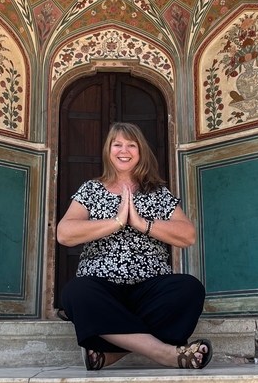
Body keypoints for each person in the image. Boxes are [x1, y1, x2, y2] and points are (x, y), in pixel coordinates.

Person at [56, 122, 212, 370]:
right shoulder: (91, 189)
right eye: (117, 144)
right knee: (75, 292)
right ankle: (166, 353)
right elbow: (64, 233)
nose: (123, 150)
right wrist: (117, 221)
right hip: (102, 288)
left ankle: (112, 354)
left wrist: (141, 223)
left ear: (140, 152)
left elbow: (187, 235)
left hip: (149, 289)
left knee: (190, 289)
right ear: (108, 151)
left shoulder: (158, 193)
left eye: (131, 144)